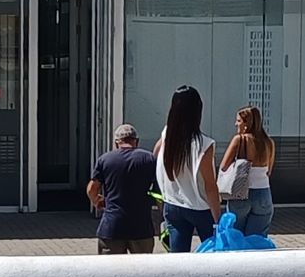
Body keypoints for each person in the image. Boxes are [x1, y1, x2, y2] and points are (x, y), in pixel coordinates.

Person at [152, 85, 223, 253]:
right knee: (212, 253)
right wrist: (218, 218)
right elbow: (210, 186)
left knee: (178, 257)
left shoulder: (167, 134)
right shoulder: (204, 145)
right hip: (200, 207)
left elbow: (155, 154)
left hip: (173, 204)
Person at [86, 124, 159, 254]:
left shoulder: (105, 159)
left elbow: (92, 189)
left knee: (111, 271)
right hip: (141, 228)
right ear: (136, 141)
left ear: (116, 143)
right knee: (143, 271)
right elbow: (159, 191)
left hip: (112, 227)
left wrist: (97, 201)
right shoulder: (149, 159)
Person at [220, 104, 276, 236]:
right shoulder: (269, 142)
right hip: (263, 194)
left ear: (247, 124)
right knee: (257, 238)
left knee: (235, 236)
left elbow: (223, 166)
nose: (235, 124)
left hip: (241, 193)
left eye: (238, 121)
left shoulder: (240, 140)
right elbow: (269, 171)